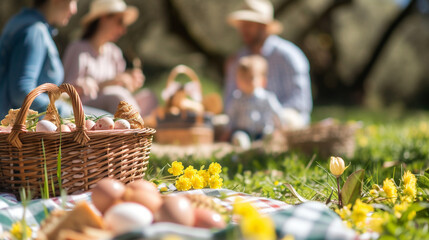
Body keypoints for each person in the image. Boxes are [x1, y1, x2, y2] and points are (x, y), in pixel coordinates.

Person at [224, 0, 313, 129]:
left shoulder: (289, 56)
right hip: (245, 121)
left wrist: (267, 115)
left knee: (290, 120)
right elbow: (229, 100)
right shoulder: (238, 60)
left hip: (281, 120)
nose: (243, 30)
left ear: (264, 27)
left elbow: (300, 103)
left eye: (249, 25)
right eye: (242, 25)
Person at [63, 0, 157, 117]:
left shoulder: (114, 52)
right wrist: (109, 83)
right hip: (85, 109)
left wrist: (128, 82)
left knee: (149, 97)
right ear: (104, 18)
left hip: (114, 105)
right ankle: (136, 128)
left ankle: (135, 125)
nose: (123, 30)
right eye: (119, 22)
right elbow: (66, 93)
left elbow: (121, 90)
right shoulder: (78, 49)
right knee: (116, 97)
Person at [0, 0, 78, 119]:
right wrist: (65, 111)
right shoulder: (34, 30)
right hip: (17, 130)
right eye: (72, 1)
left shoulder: (24, 22)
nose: (74, 10)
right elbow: (21, 93)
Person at [223, 55, 285, 146]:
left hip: (262, 130)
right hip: (243, 130)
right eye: (242, 77)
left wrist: (280, 127)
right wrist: (228, 131)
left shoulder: (267, 97)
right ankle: (242, 144)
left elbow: (277, 112)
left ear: (263, 81)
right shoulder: (237, 98)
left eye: (251, 78)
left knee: (269, 134)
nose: (246, 81)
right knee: (239, 136)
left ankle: (267, 141)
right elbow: (232, 116)